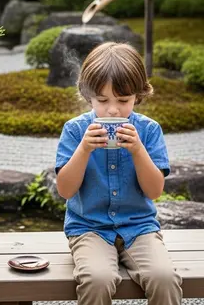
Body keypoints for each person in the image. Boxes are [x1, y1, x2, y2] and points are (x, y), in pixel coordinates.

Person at [55, 42, 182, 305]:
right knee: (97, 280)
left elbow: (154, 191)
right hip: (89, 228)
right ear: (87, 96)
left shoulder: (148, 131)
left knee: (164, 278)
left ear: (138, 95)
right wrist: (84, 150)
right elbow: (65, 190)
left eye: (123, 100)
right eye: (102, 101)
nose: (113, 110)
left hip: (140, 227)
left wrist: (137, 150)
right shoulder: (75, 131)